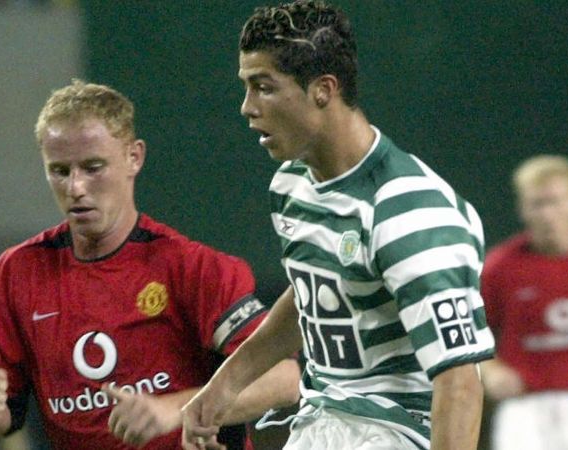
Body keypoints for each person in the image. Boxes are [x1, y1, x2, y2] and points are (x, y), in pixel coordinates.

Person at [181, 2, 496, 449]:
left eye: (263, 87)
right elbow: (315, 295)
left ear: (323, 89)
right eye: (246, 87)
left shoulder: (412, 214)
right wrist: (222, 388)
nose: (247, 108)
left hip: (398, 431)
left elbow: (460, 382)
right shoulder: (292, 184)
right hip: (323, 420)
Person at [0, 80, 300, 450]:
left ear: (134, 157)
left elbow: (283, 378)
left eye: (93, 167)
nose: (76, 188)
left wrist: (173, 410)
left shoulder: (192, 269)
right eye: (60, 171)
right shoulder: (17, 275)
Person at [480, 155, 568, 450]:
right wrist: (490, 371)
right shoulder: (499, 268)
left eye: (555, 201)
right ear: (522, 208)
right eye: (537, 204)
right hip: (527, 410)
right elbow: (470, 337)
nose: (547, 214)